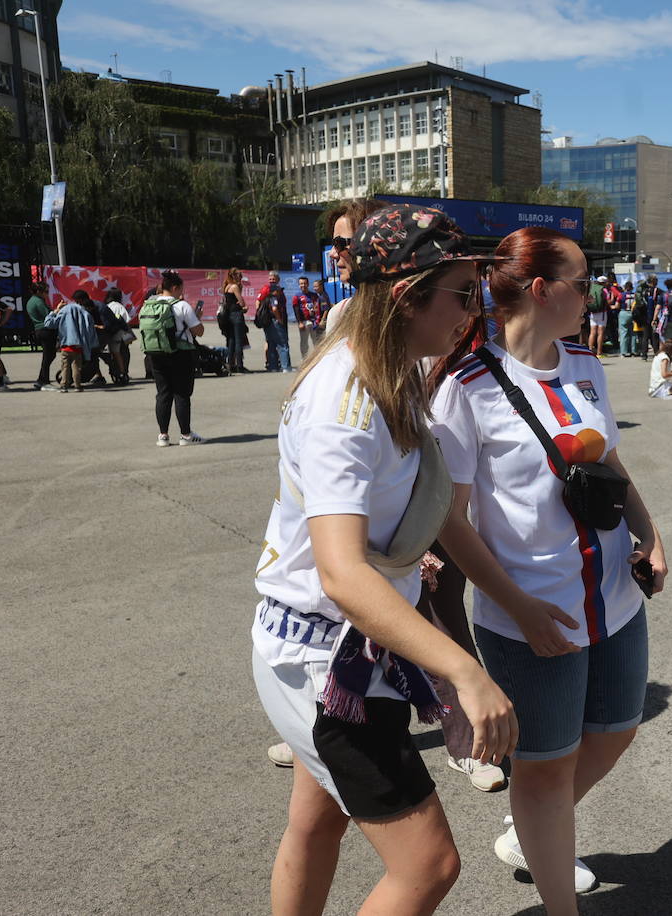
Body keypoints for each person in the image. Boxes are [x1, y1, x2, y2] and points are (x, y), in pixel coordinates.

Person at [252, 204, 518, 914]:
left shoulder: (388, 370)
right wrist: (462, 671)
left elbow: (402, 519)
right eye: (463, 293)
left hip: (333, 650)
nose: (474, 309)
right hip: (327, 664)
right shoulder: (350, 399)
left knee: (314, 825)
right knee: (428, 866)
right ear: (407, 296)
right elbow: (342, 575)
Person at [433, 226, 666, 915]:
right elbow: (449, 523)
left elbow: (609, 465)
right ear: (541, 290)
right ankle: (554, 885)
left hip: (615, 597)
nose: (593, 294)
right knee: (545, 768)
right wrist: (518, 606)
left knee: (618, 728)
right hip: (531, 614)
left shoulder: (584, 364)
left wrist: (650, 536)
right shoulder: (466, 387)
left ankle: (531, 832)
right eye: (581, 281)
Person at [142, 271, 205, 446]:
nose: (181, 294)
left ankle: (163, 436)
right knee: (181, 394)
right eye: (181, 290)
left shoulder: (150, 303)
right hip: (180, 354)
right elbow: (198, 331)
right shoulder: (182, 305)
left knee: (163, 393)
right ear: (175, 288)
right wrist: (197, 318)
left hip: (155, 353)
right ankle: (186, 435)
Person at [323, 197, 390, 334]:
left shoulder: (418, 313)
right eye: (333, 244)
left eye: (340, 243)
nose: (332, 254)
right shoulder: (339, 314)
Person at [44, 290, 101, 393]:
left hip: (66, 345)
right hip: (78, 346)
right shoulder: (85, 313)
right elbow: (90, 331)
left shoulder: (64, 310)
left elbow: (49, 324)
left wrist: (55, 311)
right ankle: (78, 386)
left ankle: (64, 386)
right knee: (76, 367)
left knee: (65, 366)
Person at [24, 282, 59, 391]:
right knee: (48, 357)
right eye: (46, 292)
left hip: (40, 330)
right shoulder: (38, 302)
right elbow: (48, 316)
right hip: (45, 330)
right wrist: (57, 310)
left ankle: (41, 380)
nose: (47, 294)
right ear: (39, 291)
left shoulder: (32, 301)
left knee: (49, 356)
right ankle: (45, 382)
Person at [258, 272, 290, 372]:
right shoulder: (274, 297)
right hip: (275, 320)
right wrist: (279, 320)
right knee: (282, 344)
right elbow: (275, 308)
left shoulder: (267, 294)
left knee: (271, 344)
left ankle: (273, 366)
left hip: (267, 321)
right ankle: (285, 367)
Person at [102, 288, 134, 384]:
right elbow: (127, 320)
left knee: (113, 354)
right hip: (122, 333)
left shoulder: (106, 306)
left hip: (110, 333)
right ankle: (123, 372)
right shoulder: (119, 306)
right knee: (124, 353)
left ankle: (115, 371)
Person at [220, 269, 249, 374]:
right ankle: (239, 366)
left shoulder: (227, 286)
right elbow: (241, 302)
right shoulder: (234, 287)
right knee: (238, 341)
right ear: (234, 276)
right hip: (236, 314)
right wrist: (244, 307)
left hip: (229, 315)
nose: (240, 277)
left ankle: (230, 364)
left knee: (231, 340)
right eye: (239, 275)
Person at [291, 276, 321, 360]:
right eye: (301, 283)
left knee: (317, 341)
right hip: (304, 322)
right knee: (304, 342)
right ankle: (304, 359)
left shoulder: (314, 295)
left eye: (304, 283)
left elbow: (317, 307)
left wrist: (318, 319)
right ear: (299, 285)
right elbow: (296, 310)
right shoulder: (297, 296)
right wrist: (299, 322)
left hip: (314, 322)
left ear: (308, 284)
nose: (303, 285)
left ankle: (318, 359)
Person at [586, 275, 611, 354]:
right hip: (602, 313)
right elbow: (608, 302)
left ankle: (590, 350)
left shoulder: (592, 289)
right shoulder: (604, 290)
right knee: (600, 333)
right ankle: (599, 352)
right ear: (603, 283)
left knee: (592, 332)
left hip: (593, 313)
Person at [617, 279, 636, 357]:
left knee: (623, 333)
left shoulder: (621, 295)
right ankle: (634, 350)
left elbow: (617, 305)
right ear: (632, 288)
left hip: (624, 312)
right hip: (633, 313)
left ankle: (623, 351)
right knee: (633, 333)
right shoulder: (635, 295)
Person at [311, 279, 329, 346]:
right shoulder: (319, 295)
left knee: (320, 341)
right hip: (318, 320)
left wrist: (322, 320)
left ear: (321, 286)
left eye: (316, 286)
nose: (314, 288)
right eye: (314, 287)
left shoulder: (323, 296)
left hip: (322, 322)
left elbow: (326, 309)